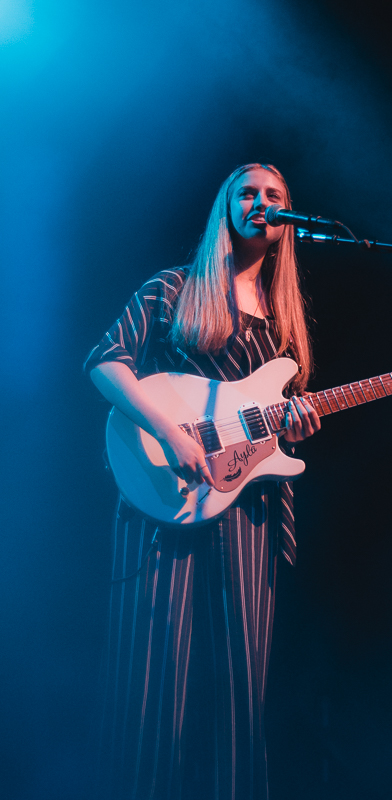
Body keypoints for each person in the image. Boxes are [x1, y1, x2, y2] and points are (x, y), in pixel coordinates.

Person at [85, 163, 320, 800]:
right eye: (247, 193)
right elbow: (106, 362)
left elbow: (272, 427)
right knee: (149, 688)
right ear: (226, 207)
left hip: (246, 514)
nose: (261, 203)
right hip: (162, 500)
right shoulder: (174, 288)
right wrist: (170, 433)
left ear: (286, 220)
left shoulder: (283, 324)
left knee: (238, 696)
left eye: (274, 196)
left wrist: (292, 427)